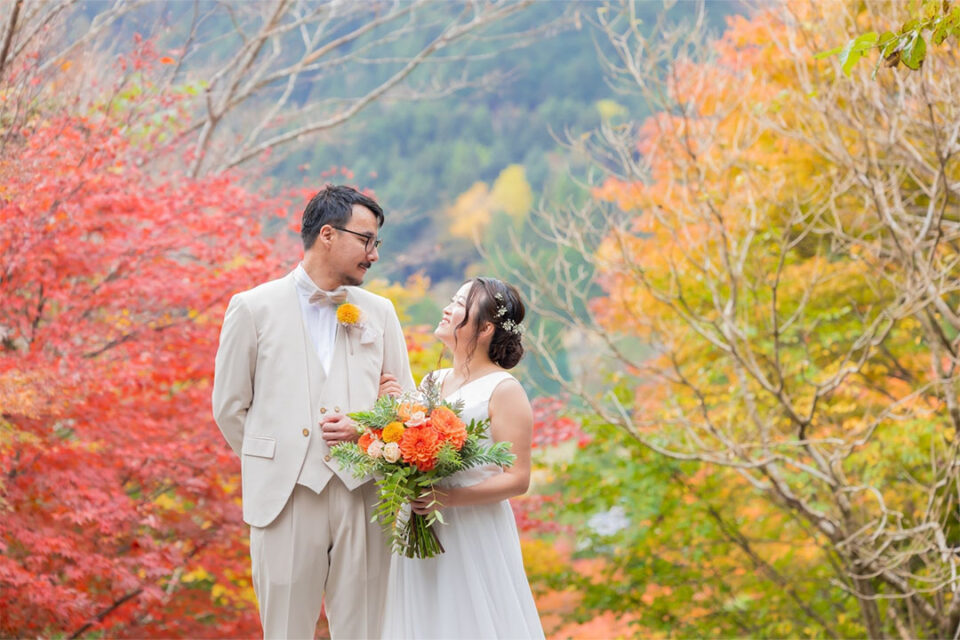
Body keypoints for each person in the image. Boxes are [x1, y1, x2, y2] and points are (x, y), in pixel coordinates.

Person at [212, 185, 415, 639]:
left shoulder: (380, 313)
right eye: (366, 240)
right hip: (285, 499)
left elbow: (406, 408)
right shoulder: (253, 307)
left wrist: (368, 431)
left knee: (364, 630)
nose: (374, 254)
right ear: (327, 234)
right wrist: (279, 460)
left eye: (376, 243)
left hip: (364, 494)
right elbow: (229, 407)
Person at [381, 277, 545, 639]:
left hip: (472, 527)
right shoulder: (431, 381)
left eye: (459, 304)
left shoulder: (504, 390)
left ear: (485, 328)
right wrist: (392, 410)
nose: (447, 308)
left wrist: (448, 497)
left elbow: (518, 478)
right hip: (419, 522)